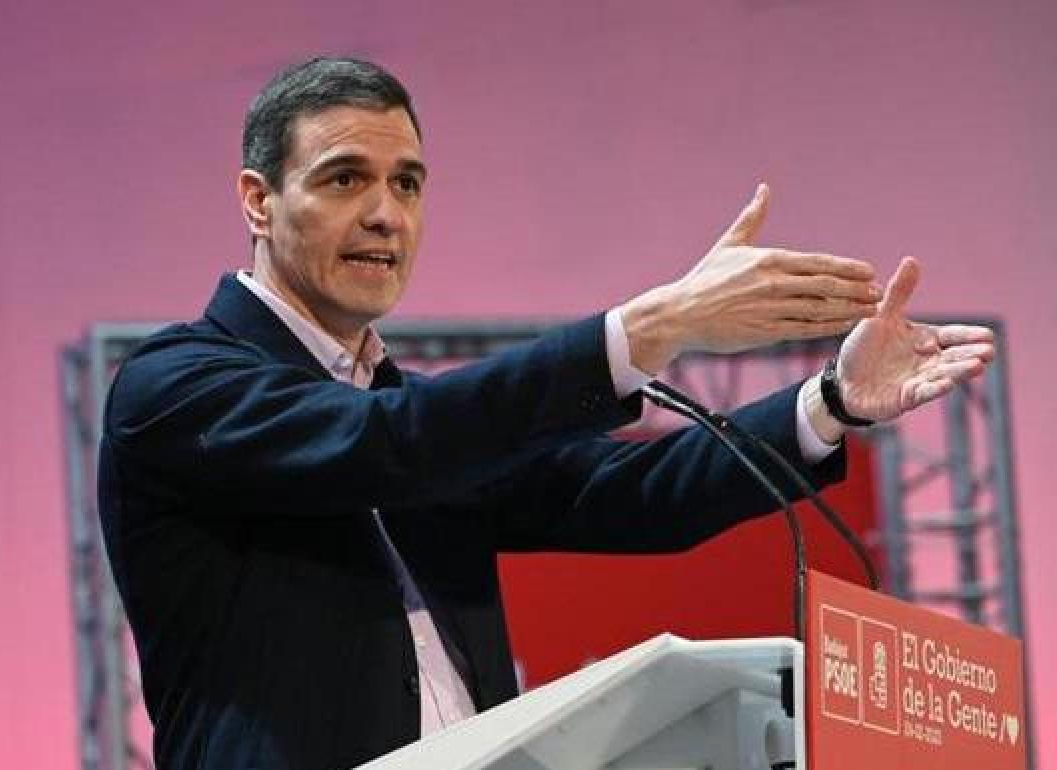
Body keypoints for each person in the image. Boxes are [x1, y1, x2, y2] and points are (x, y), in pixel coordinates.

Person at [97, 57, 995, 770]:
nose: (385, 215)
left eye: (407, 184)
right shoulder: (175, 388)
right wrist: (651, 328)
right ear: (258, 200)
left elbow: (627, 491)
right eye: (344, 180)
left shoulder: (407, 413)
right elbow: (381, 446)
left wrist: (830, 403)